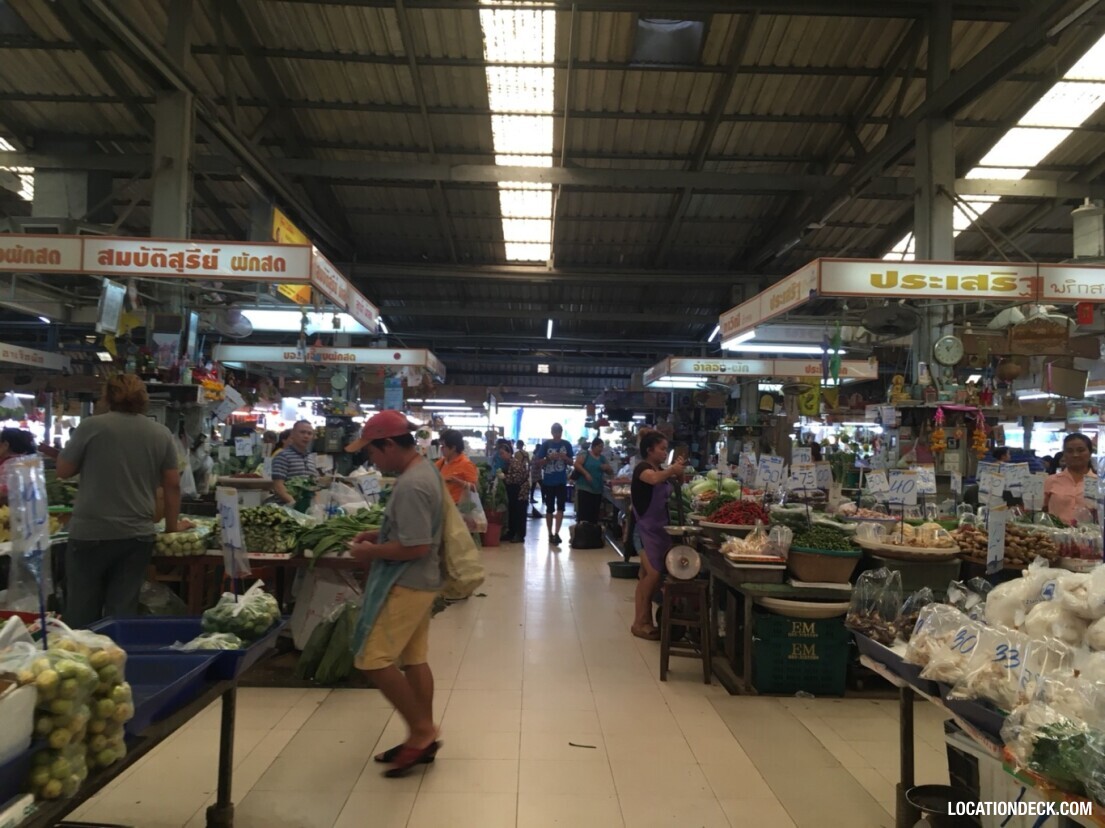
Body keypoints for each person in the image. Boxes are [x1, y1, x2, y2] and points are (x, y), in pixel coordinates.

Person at [344, 410, 444, 776]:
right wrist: (379, 535)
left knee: (372, 659)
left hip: (409, 581)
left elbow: (415, 546)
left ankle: (421, 730)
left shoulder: (412, 483)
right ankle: (424, 740)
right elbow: (414, 534)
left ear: (388, 444)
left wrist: (371, 551)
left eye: (372, 451)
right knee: (413, 657)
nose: (372, 459)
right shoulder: (423, 471)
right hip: (422, 579)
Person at [57, 375, 189, 627]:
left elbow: (63, 470)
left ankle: (82, 662)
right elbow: (172, 484)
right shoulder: (160, 434)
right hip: (136, 535)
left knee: (82, 608)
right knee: (122, 610)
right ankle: (117, 661)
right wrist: (172, 526)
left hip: (90, 533)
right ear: (143, 398)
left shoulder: (91, 426)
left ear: (107, 396)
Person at [630, 431, 686, 640]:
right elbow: (653, 480)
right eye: (662, 448)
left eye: (666, 449)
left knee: (647, 575)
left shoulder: (660, 470)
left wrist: (678, 471)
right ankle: (639, 622)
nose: (665, 452)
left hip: (659, 531)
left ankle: (644, 621)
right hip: (643, 531)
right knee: (653, 575)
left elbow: (674, 485)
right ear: (649, 450)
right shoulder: (643, 469)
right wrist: (672, 469)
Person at [1044, 433, 1098, 525]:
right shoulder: (1050, 481)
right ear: (1064, 454)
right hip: (1056, 537)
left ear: (1090, 453)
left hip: (1090, 537)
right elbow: (1040, 510)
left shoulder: (1099, 483)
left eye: (1081, 450)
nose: (1075, 455)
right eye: (1069, 451)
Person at [535, 423, 574, 545]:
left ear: (561, 432)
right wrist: (549, 458)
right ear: (552, 433)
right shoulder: (546, 445)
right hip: (548, 481)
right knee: (549, 509)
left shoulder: (566, 444)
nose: (557, 435)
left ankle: (557, 533)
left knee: (561, 507)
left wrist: (564, 457)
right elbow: (538, 463)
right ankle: (549, 533)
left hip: (561, 481)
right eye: (555, 432)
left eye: (559, 432)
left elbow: (571, 462)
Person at [270, 421, 319, 506]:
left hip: (306, 509)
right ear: (292, 434)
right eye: (302, 432)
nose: (306, 436)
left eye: (309, 433)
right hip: (287, 510)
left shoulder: (311, 458)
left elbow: (314, 485)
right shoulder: (283, 456)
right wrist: (294, 504)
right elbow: (278, 486)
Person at [574, 437, 614, 524]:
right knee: (584, 514)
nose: (601, 449)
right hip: (584, 487)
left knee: (594, 514)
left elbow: (610, 472)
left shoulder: (602, 458)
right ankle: (582, 532)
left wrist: (607, 468)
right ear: (593, 446)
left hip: (597, 489)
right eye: (599, 446)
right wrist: (586, 473)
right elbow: (577, 464)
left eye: (602, 447)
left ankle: (592, 533)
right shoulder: (586, 455)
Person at [434, 430, 478, 505]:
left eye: (443, 446)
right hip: (443, 505)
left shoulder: (466, 464)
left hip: (459, 508)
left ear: (453, 448)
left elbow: (475, 488)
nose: (441, 449)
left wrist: (458, 482)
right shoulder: (441, 462)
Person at [502, 440, 530, 544]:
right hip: (513, 491)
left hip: (520, 491)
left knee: (520, 513)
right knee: (512, 511)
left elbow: (518, 478)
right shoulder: (507, 463)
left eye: (503, 453)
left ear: (509, 453)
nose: (502, 456)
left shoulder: (515, 463)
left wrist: (505, 477)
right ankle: (511, 532)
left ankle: (519, 534)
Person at [0, 428, 36, 505]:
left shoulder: (10, 465)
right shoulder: (26, 461)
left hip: (10, 509)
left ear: (5, 445)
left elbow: (4, 492)